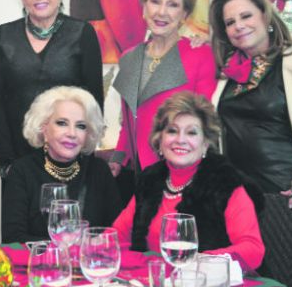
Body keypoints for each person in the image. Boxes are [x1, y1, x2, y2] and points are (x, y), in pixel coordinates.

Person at [112, 91, 265, 271]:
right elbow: (117, 236)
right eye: (172, 131)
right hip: (156, 282)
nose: (180, 140)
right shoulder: (150, 180)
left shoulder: (225, 182)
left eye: (192, 133)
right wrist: (94, 244)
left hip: (209, 282)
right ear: (160, 140)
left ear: (205, 144)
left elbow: (253, 249)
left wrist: (200, 262)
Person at [0, 0, 104, 181]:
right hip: (17, 163)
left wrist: (82, 157)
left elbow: (93, 105)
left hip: (71, 162)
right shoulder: (4, 36)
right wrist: (7, 162)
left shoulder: (82, 33)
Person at [209, 0, 292, 210]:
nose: (238, 26)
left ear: (266, 17)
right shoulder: (227, 75)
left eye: (246, 16)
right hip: (235, 199)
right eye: (230, 22)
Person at [109, 0, 217, 187]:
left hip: (179, 174)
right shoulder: (129, 57)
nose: (161, 12)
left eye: (173, 5)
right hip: (136, 174)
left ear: (184, 14)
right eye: (155, 1)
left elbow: (205, 124)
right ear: (144, 7)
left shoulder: (201, 55)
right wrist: (118, 158)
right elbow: (128, 121)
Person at [2, 86, 122, 243]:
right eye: (62, 123)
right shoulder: (22, 171)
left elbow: (117, 233)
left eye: (81, 126)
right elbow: (13, 238)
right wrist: (64, 247)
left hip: (89, 258)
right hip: (38, 259)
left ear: (88, 134)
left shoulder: (99, 170)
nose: (72, 133)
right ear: (44, 128)